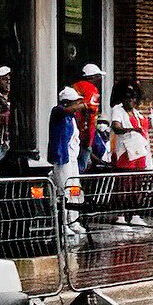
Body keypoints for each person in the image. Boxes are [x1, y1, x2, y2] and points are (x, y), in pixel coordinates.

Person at [49, 87, 88, 234]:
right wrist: (82, 104)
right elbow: (61, 109)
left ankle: (74, 220)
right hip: (62, 158)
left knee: (74, 189)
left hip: (72, 159)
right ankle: (64, 223)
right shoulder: (58, 112)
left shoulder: (71, 118)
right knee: (64, 189)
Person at [71, 64, 106, 172]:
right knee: (82, 164)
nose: (99, 79)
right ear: (92, 77)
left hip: (73, 128)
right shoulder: (91, 90)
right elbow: (90, 112)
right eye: (98, 76)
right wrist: (88, 137)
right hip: (85, 131)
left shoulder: (74, 87)